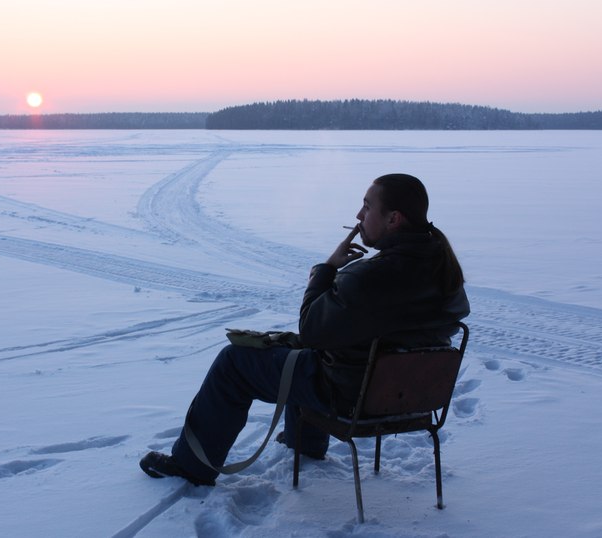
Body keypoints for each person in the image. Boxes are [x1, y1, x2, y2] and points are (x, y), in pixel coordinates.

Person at [140, 173, 470, 486]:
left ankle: (191, 466)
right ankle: (305, 442)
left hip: (350, 396)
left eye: (368, 206)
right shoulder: (445, 269)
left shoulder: (371, 277)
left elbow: (312, 329)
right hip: (410, 395)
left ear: (394, 219)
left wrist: (325, 271)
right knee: (304, 349)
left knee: (234, 362)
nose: (358, 214)